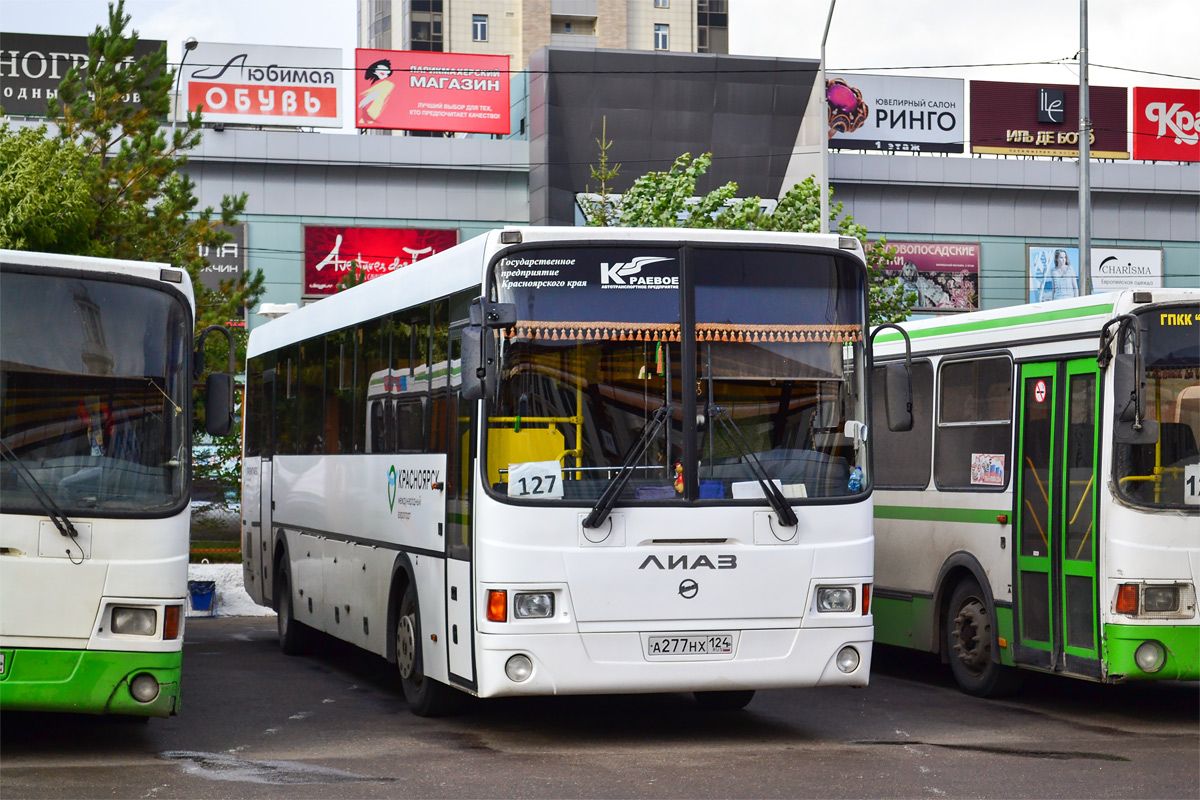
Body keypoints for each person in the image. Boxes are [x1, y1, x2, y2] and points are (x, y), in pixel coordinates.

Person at [358, 59, 396, 125]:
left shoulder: (386, 85)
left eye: (387, 73)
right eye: (382, 72)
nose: (385, 75)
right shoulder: (370, 85)